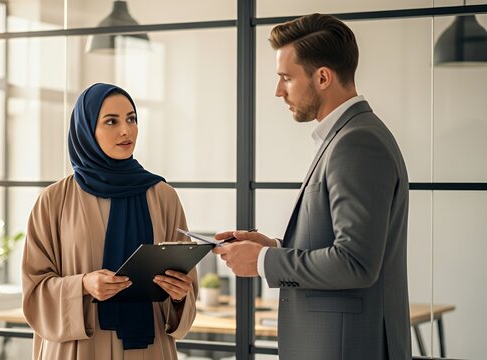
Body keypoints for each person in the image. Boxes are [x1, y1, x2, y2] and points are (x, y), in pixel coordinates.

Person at [213, 13, 411, 360]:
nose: (278, 91)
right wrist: (275, 245)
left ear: (322, 77)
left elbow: (356, 262)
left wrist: (264, 261)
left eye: (286, 78)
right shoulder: (347, 136)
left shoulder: (357, 141)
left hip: (345, 348)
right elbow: (337, 243)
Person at [21, 83, 198, 360]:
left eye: (131, 119)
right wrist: (82, 284)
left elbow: (186, 285)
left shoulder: (163, 196)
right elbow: (35, 288)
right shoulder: (54, 200)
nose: (126, 130)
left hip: (147, 350)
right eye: (111, 121)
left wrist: (179, 295)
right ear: (87, 130)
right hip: (78, 348)